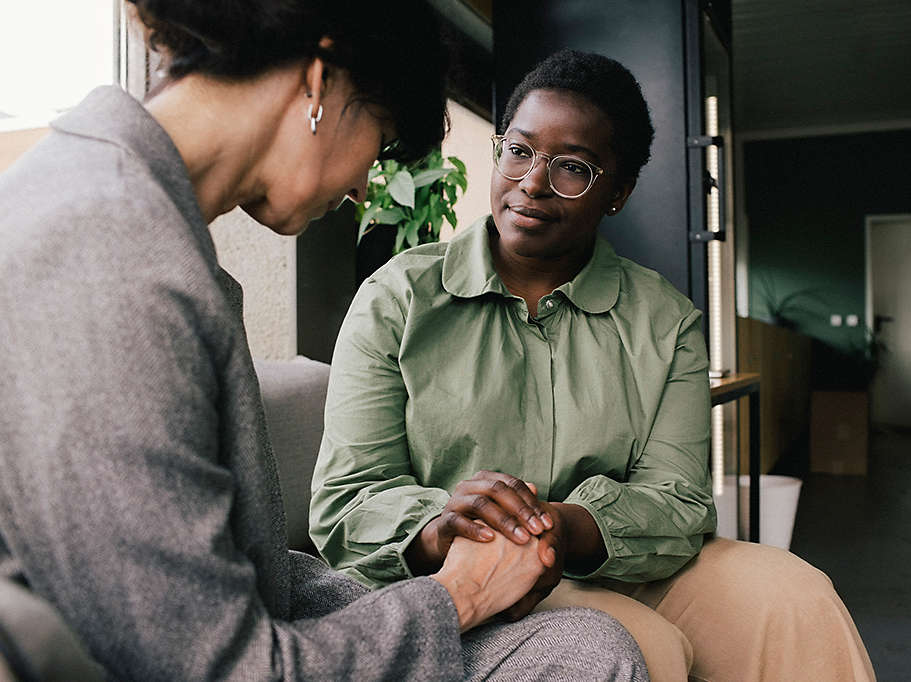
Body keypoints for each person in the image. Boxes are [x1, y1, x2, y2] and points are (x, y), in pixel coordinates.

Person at [0, 4, 650, 679]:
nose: (364, 188)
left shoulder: (140, 221)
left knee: (586, 648)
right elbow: (214, 665)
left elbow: (224, 562)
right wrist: (461, 593)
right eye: (382, 136)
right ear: (320, 82)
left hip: (257, 624)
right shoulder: (103, 255)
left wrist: (416, 591)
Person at [310, 49, 877, 681]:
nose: (531, 183)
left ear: (618, 192)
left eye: (573, 167)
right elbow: (347, 500)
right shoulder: (397, 298)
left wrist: (565, 527)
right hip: (457, 577)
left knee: (796, 597)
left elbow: (681, 502)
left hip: (612, 563)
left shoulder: (668, 323)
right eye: (518, 151)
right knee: (640, 644)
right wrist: (444, 528)